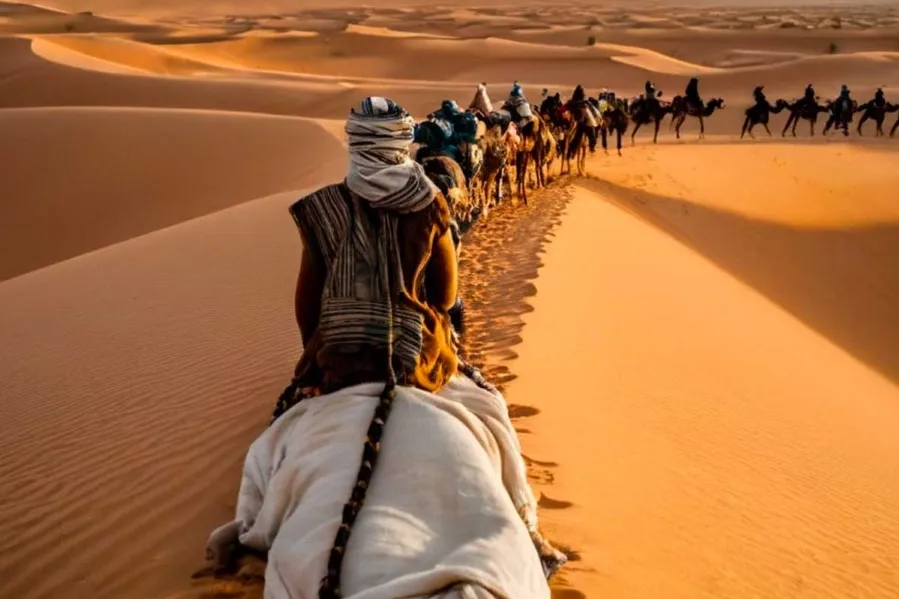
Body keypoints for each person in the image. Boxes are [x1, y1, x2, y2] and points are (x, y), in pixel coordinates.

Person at [275, 96, 460, 423]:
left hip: (338, 362)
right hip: (415, 361)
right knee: (485, 404)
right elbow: (445, 298)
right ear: (403, 144)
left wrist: (318, 358)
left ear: (355, 145)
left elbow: (307, 308)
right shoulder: (431, 204)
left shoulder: (319, 209)